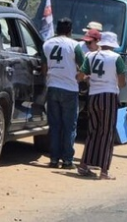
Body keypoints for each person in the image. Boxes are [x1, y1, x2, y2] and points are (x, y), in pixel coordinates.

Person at [76, 31, 126, 180]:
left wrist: (90, 80)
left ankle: (84, 164)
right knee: (107, 133)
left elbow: (80, 76)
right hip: (108, 96)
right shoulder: (116, 58)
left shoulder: (90, 56)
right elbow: (122, 82)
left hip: (93, 96)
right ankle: (104, 170)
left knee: (93, 131)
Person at [42, 18, 84, 169]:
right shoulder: (74, 45)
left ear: (56, 29)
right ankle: (67, 160)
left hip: (52, 87)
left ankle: (53, 159)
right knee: (69, 126)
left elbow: (44, 67)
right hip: (70, 89)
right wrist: (80, 78)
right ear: (70, 31)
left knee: (55, 125)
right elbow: (84, 67)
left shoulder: (47, 44)